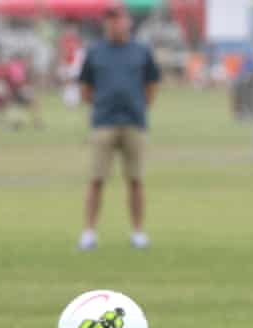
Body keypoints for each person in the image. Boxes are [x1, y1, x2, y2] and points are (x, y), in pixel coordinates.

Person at [77, 6, 161, 251]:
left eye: (119, 19)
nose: (115, 25)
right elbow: (85, 88)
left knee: (135, 179)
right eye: (110, 20)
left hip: (134, 121)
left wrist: (141, 105)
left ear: (127, 22)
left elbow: (152, 83)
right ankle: (89, 231)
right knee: (96, 179)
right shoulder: (95, 52)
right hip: (103, 122)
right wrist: (101, 104)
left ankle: (138, 231)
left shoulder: (141, 51)